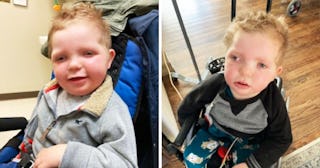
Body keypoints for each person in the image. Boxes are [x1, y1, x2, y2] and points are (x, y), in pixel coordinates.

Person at [1, 2, 138, 168]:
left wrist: (67, 155)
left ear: (109, 59)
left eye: (88, 53)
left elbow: (125, 164)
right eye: (61, 58)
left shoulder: (112, 112)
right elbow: (34, 128)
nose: (73, 65)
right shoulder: (49, 92)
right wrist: (25, 147)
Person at [179, 11, 292, 168]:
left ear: (275, 73)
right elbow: (186, 108)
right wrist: (188, 132)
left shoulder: (272, 101)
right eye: (235, 58)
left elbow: (282, 139)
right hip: (213, 132)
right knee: (191, 159)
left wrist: (249, 164)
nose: (245, 72)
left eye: (261, 65)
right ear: (225, 58)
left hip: (251, 141)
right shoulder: (214, 86)